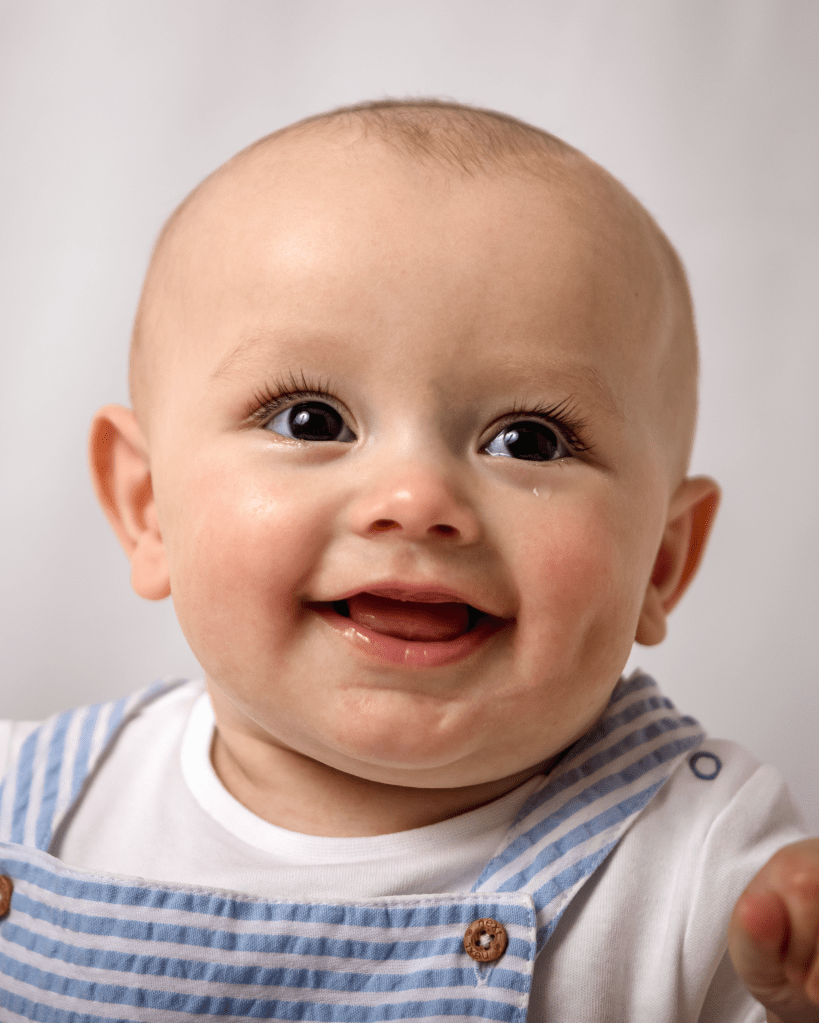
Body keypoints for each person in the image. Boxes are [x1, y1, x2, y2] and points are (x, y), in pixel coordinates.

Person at [0, 99, 817, 1022]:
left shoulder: (708, 866)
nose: (417, 501)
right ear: (148, 507)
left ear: (660, 563)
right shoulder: (27, 801)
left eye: (529, 440)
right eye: (310, 420)